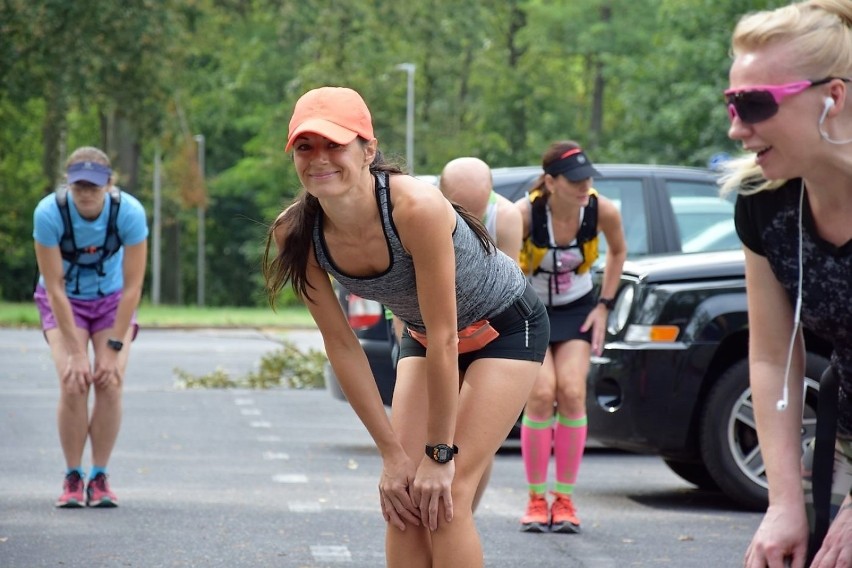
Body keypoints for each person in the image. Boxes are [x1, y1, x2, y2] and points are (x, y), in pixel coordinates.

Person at [263, 86, 549, 568]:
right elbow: (342, 345)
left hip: (505, 328)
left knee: (447, 493)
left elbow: (446, 337)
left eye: (335, 145)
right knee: (404, 498)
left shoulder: (415, 207)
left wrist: (439, 453)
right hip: (423, 337)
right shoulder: (296, 232)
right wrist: (392, 456)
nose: (319, 159)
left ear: (368, 150)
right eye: (305, 147)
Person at [720, 1, 852, 566]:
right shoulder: (764, 205)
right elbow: (774, 357)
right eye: (731, 102)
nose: (736, 127)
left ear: (834, 96)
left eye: (754, 104)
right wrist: (783, 503)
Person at [514, 140, 626, 533]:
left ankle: (564, 500)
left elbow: (617, 253)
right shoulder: (524, 214)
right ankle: (534, 499)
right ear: (551, 181)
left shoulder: (601, 210)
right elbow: (505, 268)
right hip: (531, 310)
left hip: (577, 309)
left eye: (588, 178)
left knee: (573, 393)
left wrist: (603, 306)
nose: (585, 186)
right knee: (542, 395)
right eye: (575, 180)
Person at [33, 146, 149, 508]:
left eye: (94, 186)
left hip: (112, 300)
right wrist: (74, 352)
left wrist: (113, 349)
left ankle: (99, 476)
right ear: (67, 185)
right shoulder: (49, 214)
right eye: (78, 185)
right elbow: (54, 287)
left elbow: (133, 286)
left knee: (110, 383)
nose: (86, 193)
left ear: (109, 184)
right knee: (74, 381)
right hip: (64, 300)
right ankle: (72, 476)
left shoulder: (128, 213)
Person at [437, 156, 524, 511]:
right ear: (441, 196)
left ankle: (464, 512)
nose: (469, 220)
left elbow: (508, 291)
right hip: (433, 325)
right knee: (436, 434)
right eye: (460, 210)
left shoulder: (505, 217)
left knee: (474, 443)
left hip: (487, 329)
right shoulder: (422, 211)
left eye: (477, 208)